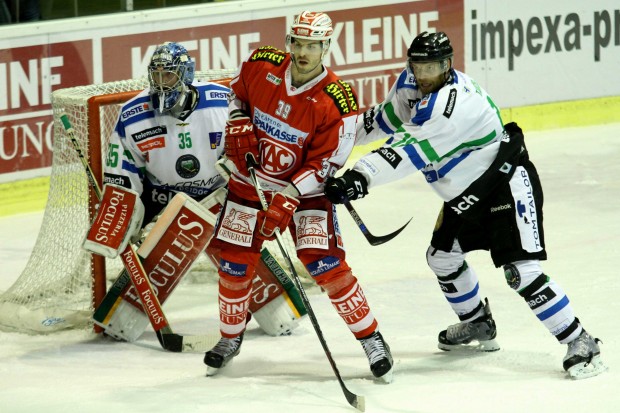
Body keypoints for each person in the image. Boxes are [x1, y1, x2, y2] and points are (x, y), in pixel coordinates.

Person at [324, 31, 606, 380]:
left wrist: (360, 176)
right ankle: (478, 323)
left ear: (448, 65)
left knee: (521, 273)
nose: (425, 75)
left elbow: (410, 149)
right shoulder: (409, 86)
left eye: (435, 66)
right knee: (441, 257)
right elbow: (384, 120)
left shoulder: (456, 106)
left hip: (503, 186)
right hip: (464, 196)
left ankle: (580, 341)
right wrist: (327, 134)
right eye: (419, 66)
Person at [204, 11, 394, 382]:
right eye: (298, 43)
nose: (303, 52)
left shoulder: (336, 99)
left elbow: (328, 162)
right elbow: (237, 96)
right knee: (234, 262)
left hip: (306, 194)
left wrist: (290, 194)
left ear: (326, 46)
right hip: (250, 182)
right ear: (289, 41)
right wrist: (238, 119)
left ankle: (372, 339)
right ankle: (229, 338)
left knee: (324, 265)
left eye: (313, 45)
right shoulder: (262, 65)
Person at [96, 41, 303, 340]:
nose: (160, 82)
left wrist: (241, 165)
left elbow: (255, 140)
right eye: (156, 75)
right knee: (122, 320)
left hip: (219, 194)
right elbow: (121, 170)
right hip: (162, 200)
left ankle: (273, 304)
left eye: (168, 75)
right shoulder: (133, 113)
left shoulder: (222, 101)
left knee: (277, 315)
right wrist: (126, 208)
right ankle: (125, 314)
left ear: (187, 74)